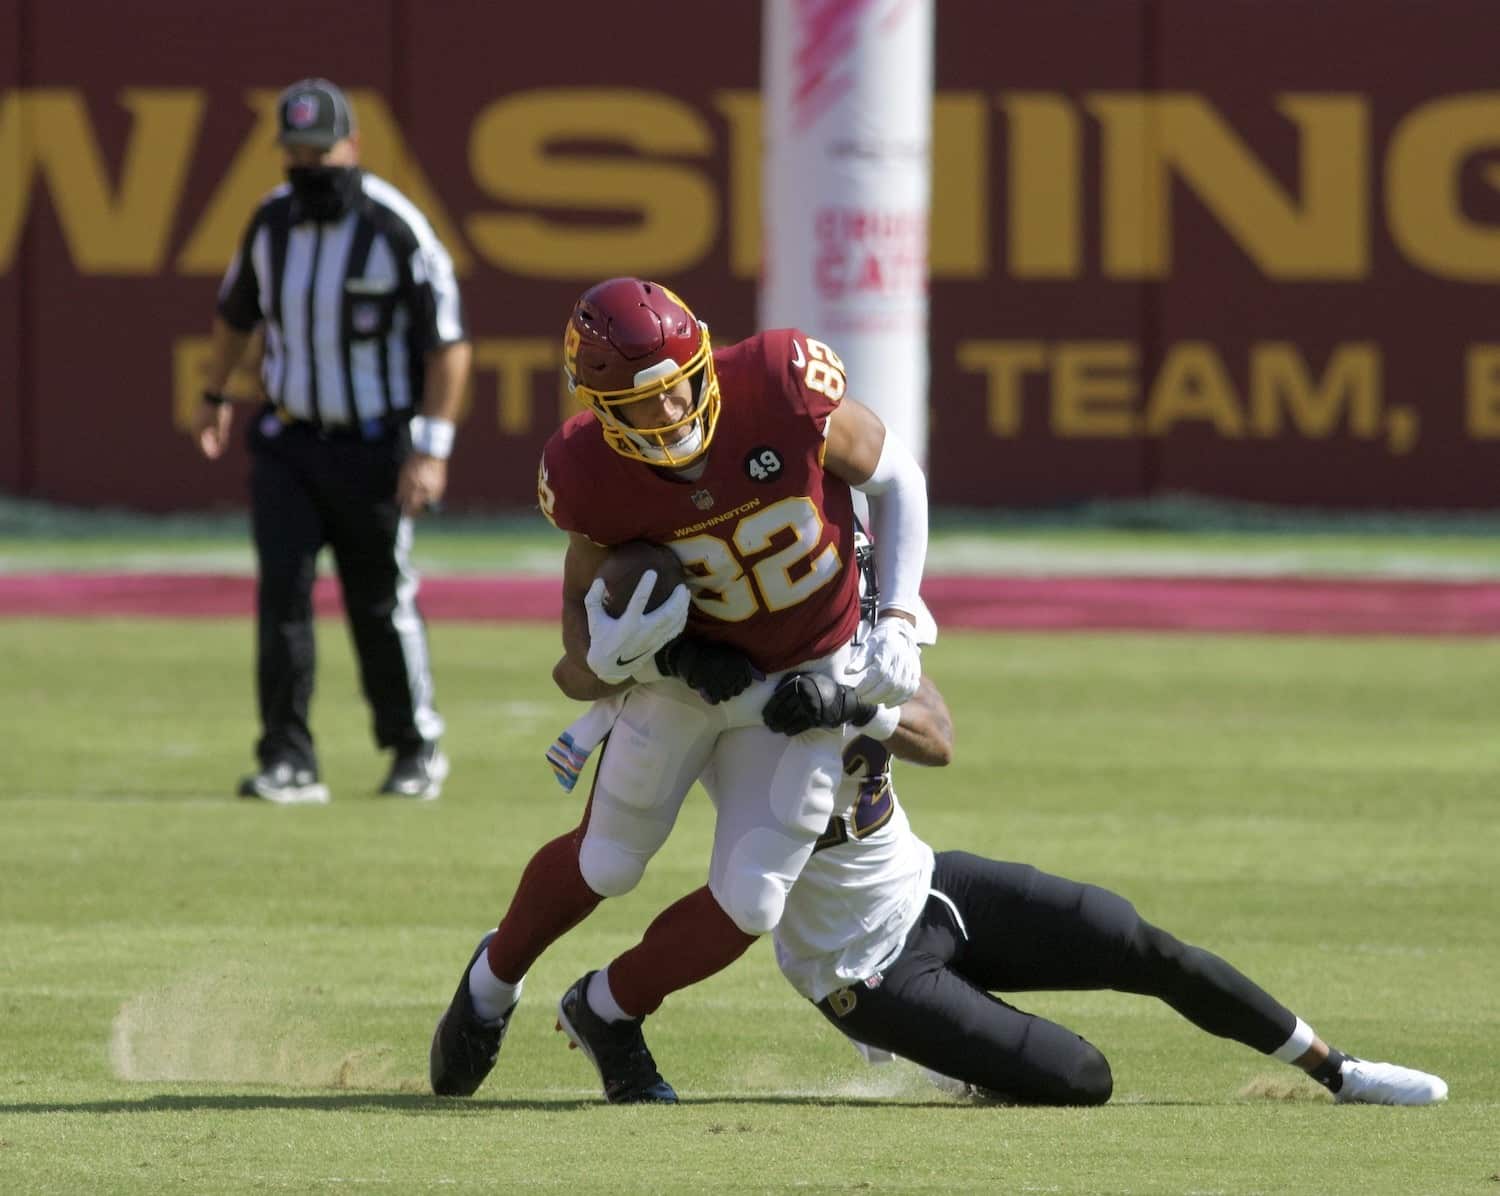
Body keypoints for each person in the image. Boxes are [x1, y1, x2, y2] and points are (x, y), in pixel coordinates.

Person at [429, 277, 929, 1102]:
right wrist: (650, 660)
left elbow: (897, 476)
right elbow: (576, 662)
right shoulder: (584, 470)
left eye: (678, 388)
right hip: (683, 681)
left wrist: (902, 618)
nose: (667, 415)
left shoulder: (777, 380)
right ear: (596, 405)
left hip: (801, 670)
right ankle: (489, 984)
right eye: (639, 404)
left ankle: (608, 1008)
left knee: (754, 898)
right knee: (609, 861)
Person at [758, 669, 1449, 1107]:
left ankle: (1341, 1072)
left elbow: (935, 735)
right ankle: (945, 1050)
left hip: (924, 881)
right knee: (1083, 1077)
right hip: (859, 963)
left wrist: (860, 698)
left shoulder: (869, 616)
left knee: (1132, 937)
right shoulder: (727, 671)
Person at [191, 78, 470, 804]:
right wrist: (216, 393)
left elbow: (449, 344)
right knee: (281, 595)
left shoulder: (393, 226)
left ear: (352, 146)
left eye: (323, 151)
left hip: (375, 445)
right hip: (288, 442)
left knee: (378, 599)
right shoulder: (270, 224)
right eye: (297, 152)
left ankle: (414, 746)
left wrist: (431, 449)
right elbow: (235, 314)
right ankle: (288, 757)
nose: (310, 166)